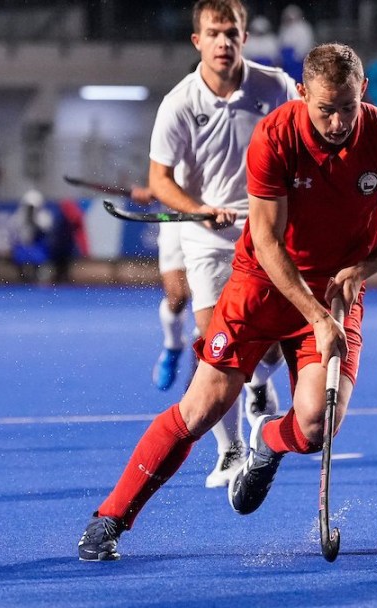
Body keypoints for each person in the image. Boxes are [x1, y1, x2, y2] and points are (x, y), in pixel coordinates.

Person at [77, 42, 377, 561]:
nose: (337, 122)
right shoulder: (276, 135)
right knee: (200, 410)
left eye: (348, 108)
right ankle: (110, 518)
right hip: (263, 284)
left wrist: (363, 268)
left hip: (335, 291)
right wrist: (314, 315)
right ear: (302, 93)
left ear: (365, 93)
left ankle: (267, 440)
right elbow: (266, 242)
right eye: (325, 109)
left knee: (316, 428)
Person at [145, 0, 298, 489]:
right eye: (213, 33)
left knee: (269, 345)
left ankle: (259, 383)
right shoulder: (180, 102)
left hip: (267, 230)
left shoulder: (275, 87)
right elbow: (160, 179)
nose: (223, 42)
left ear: (245, 37)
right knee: (216, 344)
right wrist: (197, 209)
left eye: (231, 32)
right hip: (207, 235)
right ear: (198, 41)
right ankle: (231, 449)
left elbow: (303, 148)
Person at [128, 183, 194, 392]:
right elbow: (162, 170)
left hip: (215, 219)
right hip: (175, 217)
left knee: (210, 304)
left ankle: (201, 369)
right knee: (177, 297)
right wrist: (154, 188)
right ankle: (174, 344)